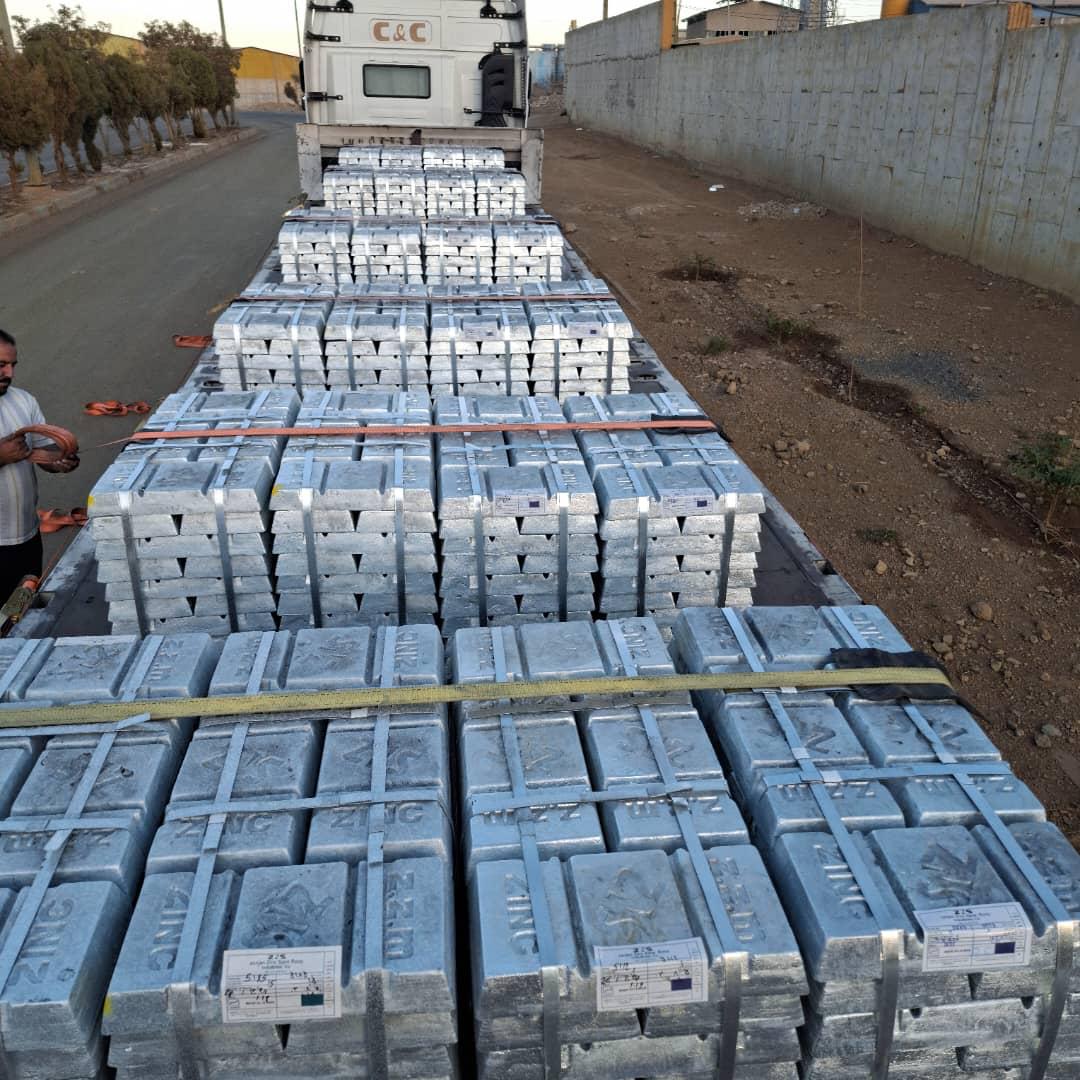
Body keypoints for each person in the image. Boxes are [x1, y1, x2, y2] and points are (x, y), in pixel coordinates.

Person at [0, 329, 79, 601]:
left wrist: (59, 460)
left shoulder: (22, 400)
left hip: (26, 535)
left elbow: (42, 451)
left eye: (12, 365)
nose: (9, 373)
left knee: (22, 613)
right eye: (1, 365)